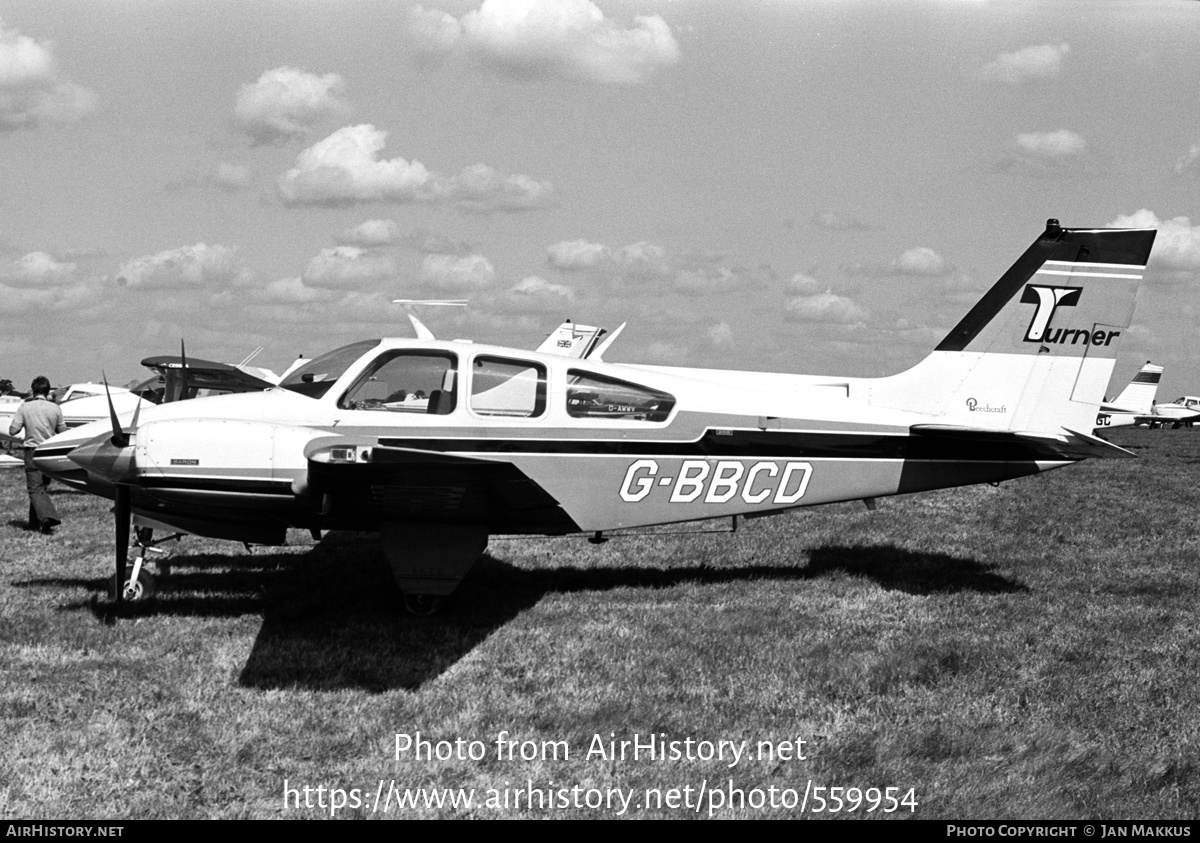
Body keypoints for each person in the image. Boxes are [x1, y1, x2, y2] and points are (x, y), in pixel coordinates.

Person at [9, 376, 66, 534]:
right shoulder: (56, 409)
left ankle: (48, 517)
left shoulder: (24, 408)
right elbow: (62, 432)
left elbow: (13, 430)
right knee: (41, 489)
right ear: (48, 391)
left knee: (34, 489)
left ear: (33, 390)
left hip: (32, 450)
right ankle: (33, 523)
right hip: (49, 451)